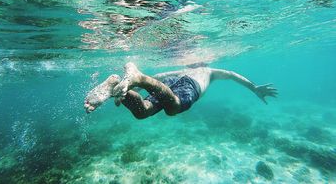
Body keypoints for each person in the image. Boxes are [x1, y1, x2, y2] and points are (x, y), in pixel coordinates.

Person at [84, 62, 277, 118]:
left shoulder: (183, 69)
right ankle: (137, 75)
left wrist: (129, 85)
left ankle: (115, 87)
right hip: (190, 86)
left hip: (170, 81)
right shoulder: (208, 71)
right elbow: (232, 74)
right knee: (173, 108)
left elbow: (159, 78)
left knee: (143, 111)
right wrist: (254, 88)